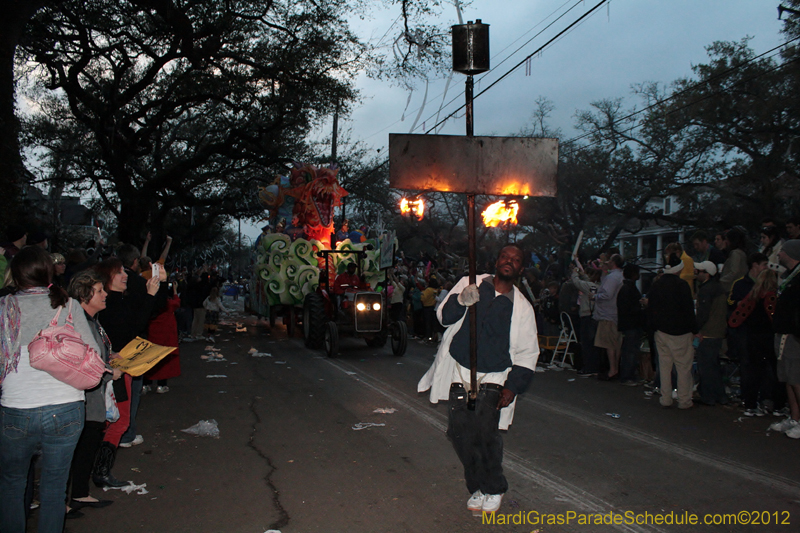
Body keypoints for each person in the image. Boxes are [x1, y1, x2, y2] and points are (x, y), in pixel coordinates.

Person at [417, 245, 539, 514]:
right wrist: (460, 301)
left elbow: (528, 353)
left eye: (516, 260)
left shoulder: (522, 308)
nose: (509, 262)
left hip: (494, 376)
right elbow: (443, 318)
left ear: (520, 269)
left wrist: (512, 387)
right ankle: (478, 487)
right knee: (460, 434)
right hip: (460, 371)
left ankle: (494, 487)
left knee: (485, 434)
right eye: (505, 257)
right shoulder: (469, 284)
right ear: (497, 261)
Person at [0, 246, 102, 533]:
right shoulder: (68, 306)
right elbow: (93, 355)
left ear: (14, 274)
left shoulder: (4, 308)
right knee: (55, 488)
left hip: (16, 408)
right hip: (66, 406)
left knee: (11, 485)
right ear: (48, 271)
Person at [93, 256, 161, 485]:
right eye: (120, 272)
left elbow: (144, 314)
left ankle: (99, 471)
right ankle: (100, 472)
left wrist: (152, 291)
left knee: (113, 420)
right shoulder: (109, 303)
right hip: (114, 370)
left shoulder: (118, 299)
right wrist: (150, 295)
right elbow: (132, 328)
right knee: (117, 421)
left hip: (119, 368)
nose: (126, 276)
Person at [67, 269, 121, 514]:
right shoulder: (80, 323)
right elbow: (83, 361)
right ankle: (72, 498)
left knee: (87, 447)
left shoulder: (91, 322)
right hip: (84, 400)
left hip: (93, 399)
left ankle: (79, 493)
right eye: (99, 291)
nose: (105, 294)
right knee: (82, 447)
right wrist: (109, 371)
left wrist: (111, 358)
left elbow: (97, 353)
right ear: (84, 296)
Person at [646, 253, 697, 409]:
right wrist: (694, 329)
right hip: (680, 332)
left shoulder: (657, 284)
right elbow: (688, 310)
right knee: (683, 368)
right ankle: (684, 400)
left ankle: (665, 397)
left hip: (661, 331)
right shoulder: (682, 286)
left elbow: (651, 308)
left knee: (665, 366)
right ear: (679, 270)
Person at [728, 253, 772, 416]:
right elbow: (730, 302)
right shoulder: (740, 284)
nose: (766, 268)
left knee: (765, 368)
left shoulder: (769, 285)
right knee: (748, 367)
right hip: (746, 333)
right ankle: (750, 402)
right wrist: (738, 304)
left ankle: (765, 400)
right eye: (764, 264)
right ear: (754, 265)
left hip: (765, 333)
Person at [770, 240, 800, 438]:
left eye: (782, 251)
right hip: (783, 333)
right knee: (788, 378)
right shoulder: (789, 276)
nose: (779, 254)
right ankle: (795, 417)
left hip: (794, 335)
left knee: (797, 377)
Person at [694, 261, 729, 406]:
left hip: (708, 332)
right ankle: (719, 395)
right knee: (713, 366)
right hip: (718, 331)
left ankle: (708, 396)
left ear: (706, 273)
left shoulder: (706, 290)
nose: (696, 273)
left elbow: (703, 313)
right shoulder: (719, 288)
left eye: (699, 271)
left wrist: (696, 330)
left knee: (706, 366)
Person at [144, 280, 181, 394]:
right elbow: (177, 302)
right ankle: (161, 385)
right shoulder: (168, 304)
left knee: (149, 359)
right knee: (163, 361)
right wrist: (175, 290)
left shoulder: (149, 304)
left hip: (151, 336)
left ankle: (146, 384)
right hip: (165, 337)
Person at [593, 254, 624, 380]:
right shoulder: (618, 276)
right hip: (615, 313)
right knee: (615, 344)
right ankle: (615, 368)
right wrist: (604, 271)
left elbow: (607, 294)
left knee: (609, 344)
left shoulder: (613, 278)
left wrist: (594, 297)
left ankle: (612, 369)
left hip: (608, 314)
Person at [616, 263, 644, 386]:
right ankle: (627, 375)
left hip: (629, 324)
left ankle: (628, 374)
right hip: (631, 324)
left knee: (630, 350)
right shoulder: (629, 289)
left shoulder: (626, 288)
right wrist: (640, 308)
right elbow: (627, 308)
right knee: (630, 351)